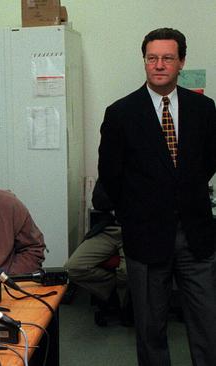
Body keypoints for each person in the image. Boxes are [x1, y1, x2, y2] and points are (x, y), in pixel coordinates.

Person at [98, 27, 216, 365]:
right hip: (146, 237)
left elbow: (207, 162)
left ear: (181, 62)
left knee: (207, 324)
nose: (159, 65)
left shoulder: (203, 109)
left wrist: (183, 194)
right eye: (152, 58)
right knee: (151, 329)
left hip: (196, 235)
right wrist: (137, 213)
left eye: (167, 58)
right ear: (145, 62)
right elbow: (111, 176)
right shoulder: (120, 113)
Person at [64, 180, 129, 324]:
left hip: (135, 232)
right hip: (109, 228)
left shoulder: (148, 170)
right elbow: (98, 201)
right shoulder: (111, 169)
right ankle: (113, 291)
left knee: (126, 272)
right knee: (72, 268)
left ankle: (125, 308)